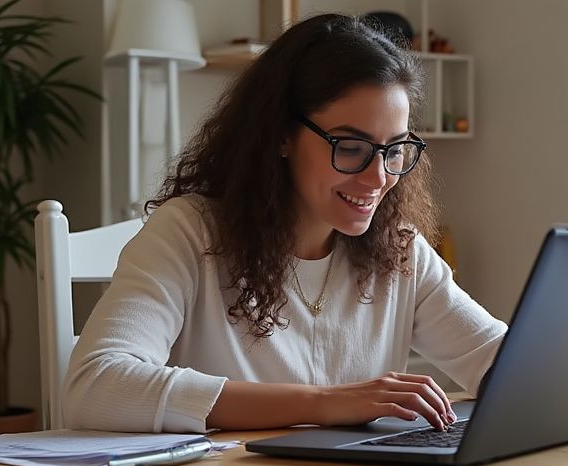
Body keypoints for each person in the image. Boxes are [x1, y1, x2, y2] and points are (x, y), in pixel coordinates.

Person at [63, 14, 507, 434]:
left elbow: (508, 365)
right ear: (280, 135)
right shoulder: (188, 233)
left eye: (394, 149)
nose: (378, 177)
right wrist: (322, 403)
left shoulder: (398, 249)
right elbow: (95, 386)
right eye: (351, 146)